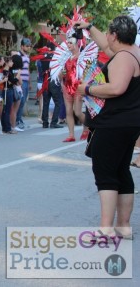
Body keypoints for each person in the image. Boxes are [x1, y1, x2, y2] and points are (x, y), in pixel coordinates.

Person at [75, 16, 139, 241]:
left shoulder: (123, 58)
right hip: (129, 123)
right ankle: (122, 226)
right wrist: (90, 28)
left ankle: (105, 229)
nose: (107, 39)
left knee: (105, 174)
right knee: (121, 171)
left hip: (114, 123)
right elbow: (104, 45)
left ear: (115, 35)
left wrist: (88, 89)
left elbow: (117, 88)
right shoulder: (133, 52)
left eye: (109, 34)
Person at [40, 42, 63, 129]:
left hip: (44, 81)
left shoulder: (42, 57)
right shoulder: (56, 57)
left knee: (46, 102)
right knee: (58, 102)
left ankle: (45, 122)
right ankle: (53, 122)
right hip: (53, 81)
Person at [16, 38, 32, 129]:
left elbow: (28, 69)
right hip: (21, 81)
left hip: (25, 81)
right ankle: (17, 121)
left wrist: (29, 82)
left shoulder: (26, 56)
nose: (28, 48)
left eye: (29, 46)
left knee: (23, 102)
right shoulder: (18, 55)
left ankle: (19, 120)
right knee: (20, 102)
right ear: (22, 46)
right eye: (27, 46)